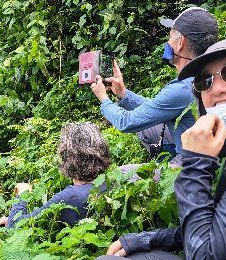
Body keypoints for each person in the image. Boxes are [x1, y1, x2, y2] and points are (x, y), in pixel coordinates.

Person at [84, 35, 226, 260]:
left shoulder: (181, 90)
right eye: (205, 81)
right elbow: (221, 229)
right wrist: (145, 239)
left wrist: (196, 165)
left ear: (180, 42)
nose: (216, 89)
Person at [91, 7, 218, 167]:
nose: (167, 43)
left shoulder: (183, 87)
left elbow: (127, 122)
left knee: (124, 173)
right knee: (146, 131)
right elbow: (157, 108)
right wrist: (124, 94)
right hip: (208, 146)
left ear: (180, 43)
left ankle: (170, 172)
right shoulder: (208, 71)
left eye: (170, 37)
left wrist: (104, 99)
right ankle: (164, 164)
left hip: (194, 161)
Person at [0, 122, 111, 230]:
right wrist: (9, 219)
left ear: (67, 157)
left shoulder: (71, 196)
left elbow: (15, 226)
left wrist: (22, 195)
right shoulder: (111, 182)